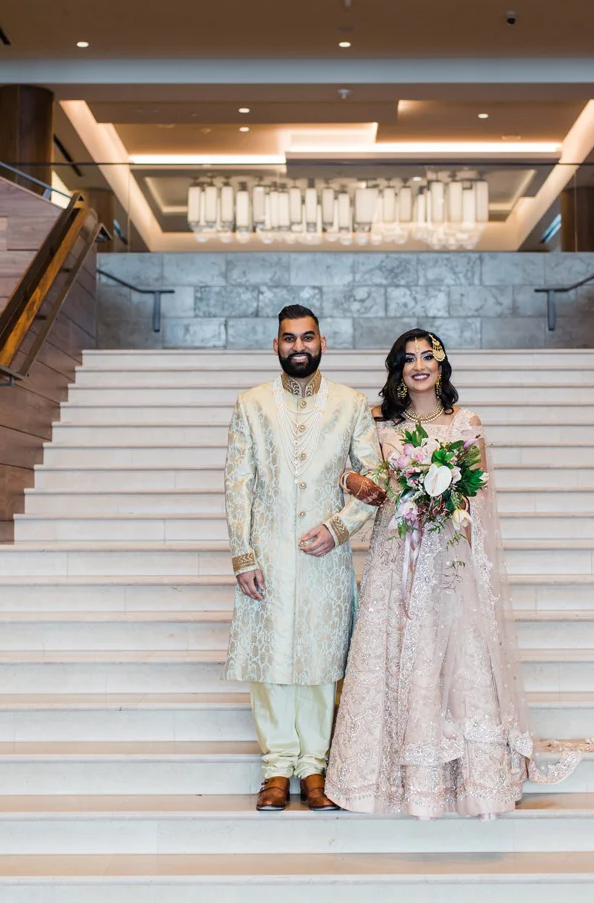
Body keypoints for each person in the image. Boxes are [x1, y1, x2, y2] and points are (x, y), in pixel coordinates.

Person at [325, 328, 587, 819]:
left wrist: (445, 503)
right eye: (409, 359)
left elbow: (478, 496)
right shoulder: (378, 424)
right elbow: (356, 476)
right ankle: (376, 779)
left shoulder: (466, 423)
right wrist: (353, 481)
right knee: (394, 650)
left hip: (446, 555)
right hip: (395, 555)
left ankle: (472, 779)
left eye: (428, 356)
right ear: (398, 370)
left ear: (442, 366)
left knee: (455, 655)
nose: (419, 365)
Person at [223, 304, 385, 813]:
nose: (298, 347)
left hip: (324, 556)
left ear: (322, 343)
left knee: (319, 658)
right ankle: (276, 767)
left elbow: (375, 479)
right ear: (276, 346)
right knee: (269, 660)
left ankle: (314, 766)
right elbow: (238, 482)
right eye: (289, 339)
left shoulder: (351, 404)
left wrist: (339, 529)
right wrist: (243, 553)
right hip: (267, 551)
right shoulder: (250, 404)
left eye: (307, 338)